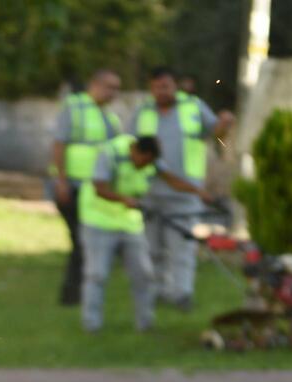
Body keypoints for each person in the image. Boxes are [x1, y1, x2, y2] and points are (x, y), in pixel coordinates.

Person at [79, 134, 209, 334]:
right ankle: (91, 325)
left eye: (150, 163)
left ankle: (145, 324)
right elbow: (99, 187)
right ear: (136, 151)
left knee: (144, 275)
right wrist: (123, 199)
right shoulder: (110, 152)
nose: (145, 167)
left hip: (130, 224)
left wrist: (198, 192)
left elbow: (171, 180)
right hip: (99, 221)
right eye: (143, 161)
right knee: (97, 275)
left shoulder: (151, 161)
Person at [134, 67, 235, 310]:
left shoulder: (193, 107)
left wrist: (224, 125)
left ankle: (182, 294)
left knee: (183, 247)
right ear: (151, 88)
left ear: (175, 85)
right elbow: (131, 146)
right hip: (151, 192)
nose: (162, 91)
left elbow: (216, 134)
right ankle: (158, 291)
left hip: (185, 193)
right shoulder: (143, 112)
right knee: (153, 248)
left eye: (166, 86)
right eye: (157, 87)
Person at [48, 70, 122, 306]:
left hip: (95, 190)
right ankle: (72, 296)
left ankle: (79, 294)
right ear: (95, 84)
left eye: (117, 88)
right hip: (74, 186)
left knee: (88, 243)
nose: (114, 93)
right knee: (81, 242)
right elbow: (59, 144)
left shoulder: (110, 117)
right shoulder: (75, 107)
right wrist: (61, 181)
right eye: (109, 87)